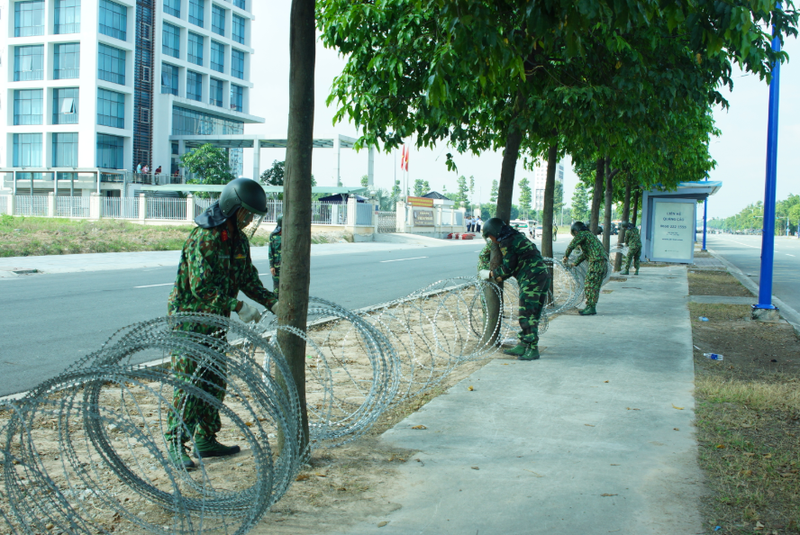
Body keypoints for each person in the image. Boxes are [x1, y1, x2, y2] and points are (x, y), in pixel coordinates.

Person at [165, 178, 278, 470]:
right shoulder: (205, 238)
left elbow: (247, 278)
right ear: (232, 208)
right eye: (247, 213)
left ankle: (205, 439)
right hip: (190, 321)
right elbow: (201, 288)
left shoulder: (238, 239)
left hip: (215, 321)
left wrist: (271, 301)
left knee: (215, 382)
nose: (251, 219)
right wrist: (237, 306)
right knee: (190, 384)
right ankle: (177, 443)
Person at [479, 217, 551, 361]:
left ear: (494, 233)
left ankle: (532, 349)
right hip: (542, 275)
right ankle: (523, 344)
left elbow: (508, 267)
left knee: (527, 314)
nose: (491, 240)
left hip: (531, 279)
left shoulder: (506, 242)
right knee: (533, 313)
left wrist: (491, 274)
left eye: (490, 237)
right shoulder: (516, 236)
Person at [563, 221, 608, 316]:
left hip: (596, 262)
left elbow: (572, 245)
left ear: (576, 231)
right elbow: (586, 254)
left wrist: (566, 256)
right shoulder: (589, 236)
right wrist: (575, 263)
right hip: (600, 262)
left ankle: (591, 307)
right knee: (593, 284)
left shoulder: (582, 234)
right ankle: (590, 306)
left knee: (590, 284)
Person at [269, 215, 282, 297]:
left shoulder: (291, 235)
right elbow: (270, 251)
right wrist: (271, 266)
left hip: (289, 268)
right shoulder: (274, 235)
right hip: (277, 267)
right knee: (277, 291)